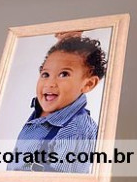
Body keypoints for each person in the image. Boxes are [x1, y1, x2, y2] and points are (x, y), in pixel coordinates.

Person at [7, 35, 107, 173]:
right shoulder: (40, 113)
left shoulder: (76, 130)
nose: (49, 83)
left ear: (88, 84)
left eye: (64, 74)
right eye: (45, 74)